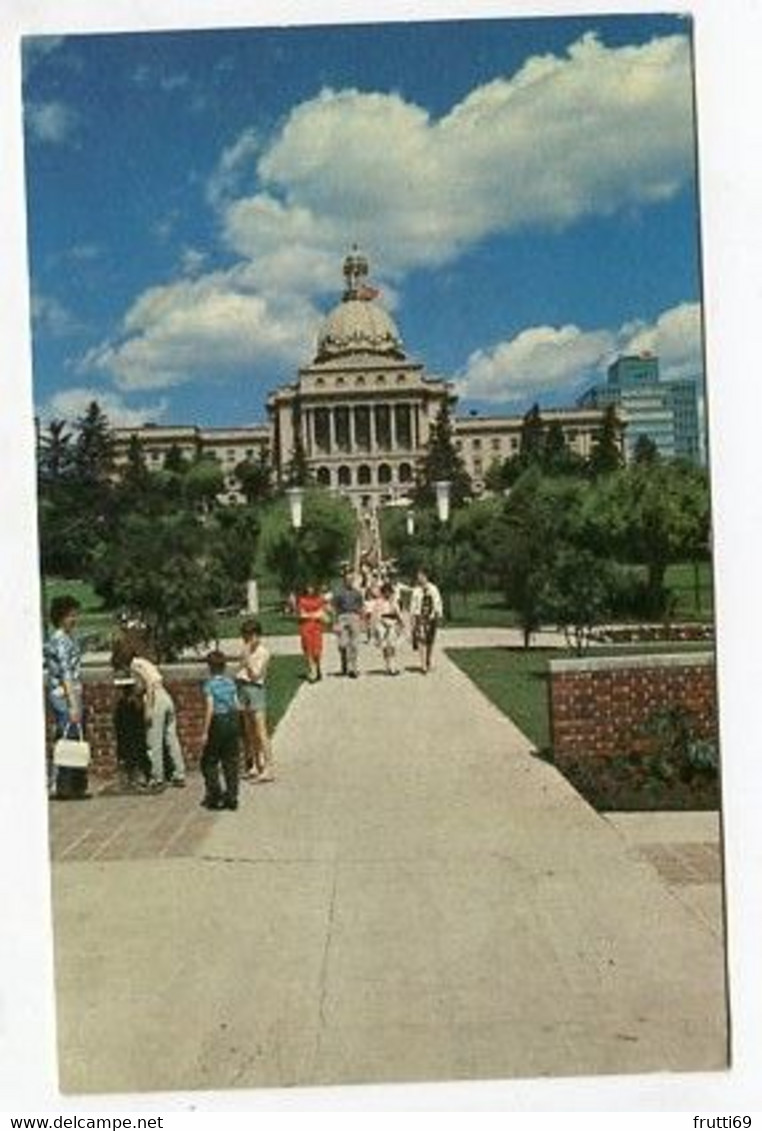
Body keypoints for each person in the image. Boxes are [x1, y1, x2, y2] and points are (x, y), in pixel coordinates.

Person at [112, 642, 186, 791]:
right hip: (166, 697)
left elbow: (149, 684)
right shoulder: (144, 661)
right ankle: (179, 774)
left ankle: (157, 778)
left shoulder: (135, 665)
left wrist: (148, 708)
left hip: (156, 700)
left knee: (154, 741)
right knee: (171, 738)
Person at [44, 594, 89, 800]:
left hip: (69, 693)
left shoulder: (67, 639)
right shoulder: (60, 640)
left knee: (69, 737)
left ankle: (71, 784)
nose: (74, 619)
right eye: (71, 615)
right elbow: (66, 674)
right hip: (63, 695)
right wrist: (73, 704)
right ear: (61, 617)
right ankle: (63, 785)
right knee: (67, 738)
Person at [199, 650, 240, 810]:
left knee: (209, 760)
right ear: (224, 666)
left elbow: (210, 708)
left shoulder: (209, 685)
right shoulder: (230, 682)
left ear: (209, 667)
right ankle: (232, 796)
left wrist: (205, 731)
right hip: (232, 720)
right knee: (231, 761)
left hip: (218, 721)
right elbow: (236, 704)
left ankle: (214, 794)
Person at [237, 618, 274, 782]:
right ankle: (254, 764)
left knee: (260, 730)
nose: (247, 640)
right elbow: (240, 671)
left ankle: (268, 767)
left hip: (255, 689)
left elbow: (256, 675)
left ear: (257, 636)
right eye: (245, 637)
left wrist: (247, 660)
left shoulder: (263, 652)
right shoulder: (246, 650)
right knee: (248, 730)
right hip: (243, 688)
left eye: (249, 637)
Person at [113, 676, 151, 791]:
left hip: (129, 738)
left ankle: (136, 776)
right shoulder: (137, 703)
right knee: (137, 753)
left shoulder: (125, 705)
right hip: (135, 737)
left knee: (131, 754)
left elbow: (119, 723)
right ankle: (140, 776)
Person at [410, 568, 444, 674]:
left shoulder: (433, 589)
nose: (418, 578)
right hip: (420, 618)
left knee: (430, 641)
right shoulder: (416, 590)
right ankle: (423, 664)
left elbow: (438, 602)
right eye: (418, 576)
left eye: (420, 576)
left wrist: (438, 615)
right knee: (421, 640)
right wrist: (413, 620)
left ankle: (428, 659)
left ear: (425, 576)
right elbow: (413, 605)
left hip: (431, 617)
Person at [332, 571, 364, 678]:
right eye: (347, 580)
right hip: (342, 617)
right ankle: (344, 664)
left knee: (354, 644)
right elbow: (334, 608)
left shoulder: (357, 593)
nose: (349, 581)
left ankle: (353, 668)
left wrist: (362, 621)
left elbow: (361, 607)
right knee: (343, 644)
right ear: (344, 581)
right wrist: (335, 622)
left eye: (351, 580)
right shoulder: (339, 593)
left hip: (354, 617)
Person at [296, 583, 328, 683]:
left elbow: (322, 613)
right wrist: (315, 614)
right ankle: (312, 671)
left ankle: (318, 667)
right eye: (308, 587)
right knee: (308, 649)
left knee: (317, 650)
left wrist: (310, 614)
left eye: (312, 587)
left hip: (317, 628)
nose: (310, 589)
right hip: (306, 628)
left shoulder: (319, 599)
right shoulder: (302, 600)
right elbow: (302, 614)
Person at [373, 581, 404, 675]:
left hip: (392, 624)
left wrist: (401, 623)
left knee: (392, 646)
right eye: (385, 591)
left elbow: (398, 613)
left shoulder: (394, 602)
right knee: (385, 647)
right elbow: (377, 615)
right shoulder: (379, 602)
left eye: (389, 591)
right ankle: (388, 666)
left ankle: (393, 666)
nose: (387, 593)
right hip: (382, 625)